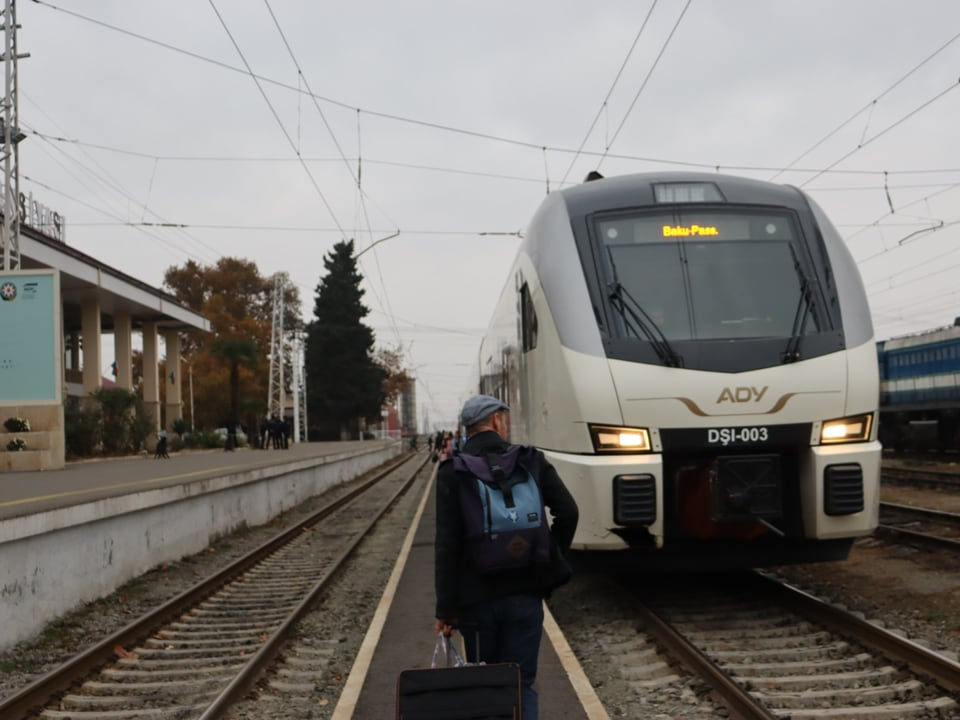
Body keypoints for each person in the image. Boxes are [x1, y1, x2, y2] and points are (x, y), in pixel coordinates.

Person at [434, 394, 578, 720]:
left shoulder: (452, 471)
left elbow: (447, 546)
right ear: (497, 421)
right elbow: (568, 512)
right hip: (525, 595)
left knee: (486, 687)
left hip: (475, 601)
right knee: (521, 683)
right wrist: (549, 563)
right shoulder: (530, 460)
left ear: (468, 429)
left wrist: (446, 609)